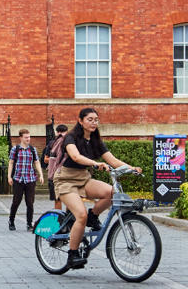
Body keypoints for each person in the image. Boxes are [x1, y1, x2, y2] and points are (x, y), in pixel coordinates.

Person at [53, 106, 142, 269]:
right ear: (80, 121)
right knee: (81, 215)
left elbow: (113, 161)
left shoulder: (95, 140)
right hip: (66, 180)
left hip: (84, 178)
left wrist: (132, 168)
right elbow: (75, 156)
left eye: (96, 120)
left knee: (111, 192)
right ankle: (73, 255)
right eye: (90, 120)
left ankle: (93, 216)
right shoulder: (71, 137)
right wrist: (95, 163)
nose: (94, 123)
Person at [8, 129, 44, 231]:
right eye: (26, 137)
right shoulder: (15, 149)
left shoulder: (32, 149)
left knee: (30, 203)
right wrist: (9, 176)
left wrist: (41, 175)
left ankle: (29, 224)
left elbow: (37, 162)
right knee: (16, 201)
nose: (28, 139)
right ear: (21, 138)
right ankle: (11, 220)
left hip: (30, 179)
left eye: (29, 137)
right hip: (18, 179)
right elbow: (11, 163)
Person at [43, 123, 68, 211]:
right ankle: (59, 217)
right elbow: (45, 159)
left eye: (63, 132)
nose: (61, 134)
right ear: (56, 132)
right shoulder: (52, 144)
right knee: (57, 199)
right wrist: (55, 159)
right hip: (54, 174)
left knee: (69, 199)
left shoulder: (69, 143)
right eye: (59, 132)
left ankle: (68, 217)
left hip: (66, 173)